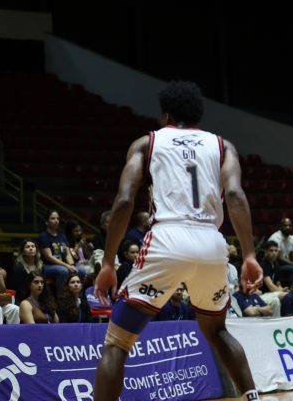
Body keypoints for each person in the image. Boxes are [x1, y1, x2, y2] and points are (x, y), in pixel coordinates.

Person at [92, 80, 263, 401]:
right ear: (198, 115)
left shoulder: (147, 143)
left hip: (167, 238)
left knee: (117, 343)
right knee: (217, 330)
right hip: (211, 242)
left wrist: (108, 262)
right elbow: (236, 195)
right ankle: (252, 397)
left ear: (166, 115)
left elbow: (125, 201)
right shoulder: (223, 146)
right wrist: (250, 255)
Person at [39, 210, 86, 292]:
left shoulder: (62, 235)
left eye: (57, 218)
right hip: (48, 266)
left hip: (64, 265)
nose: (56, 220)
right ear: (47, 222)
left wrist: (72, 265)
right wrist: (67, 266)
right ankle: (60, 295)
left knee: (81, 270)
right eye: (53, 218)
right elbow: (49, 257)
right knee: (63, 271)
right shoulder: (43, 236)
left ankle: (78, 295)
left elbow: (67, 253)